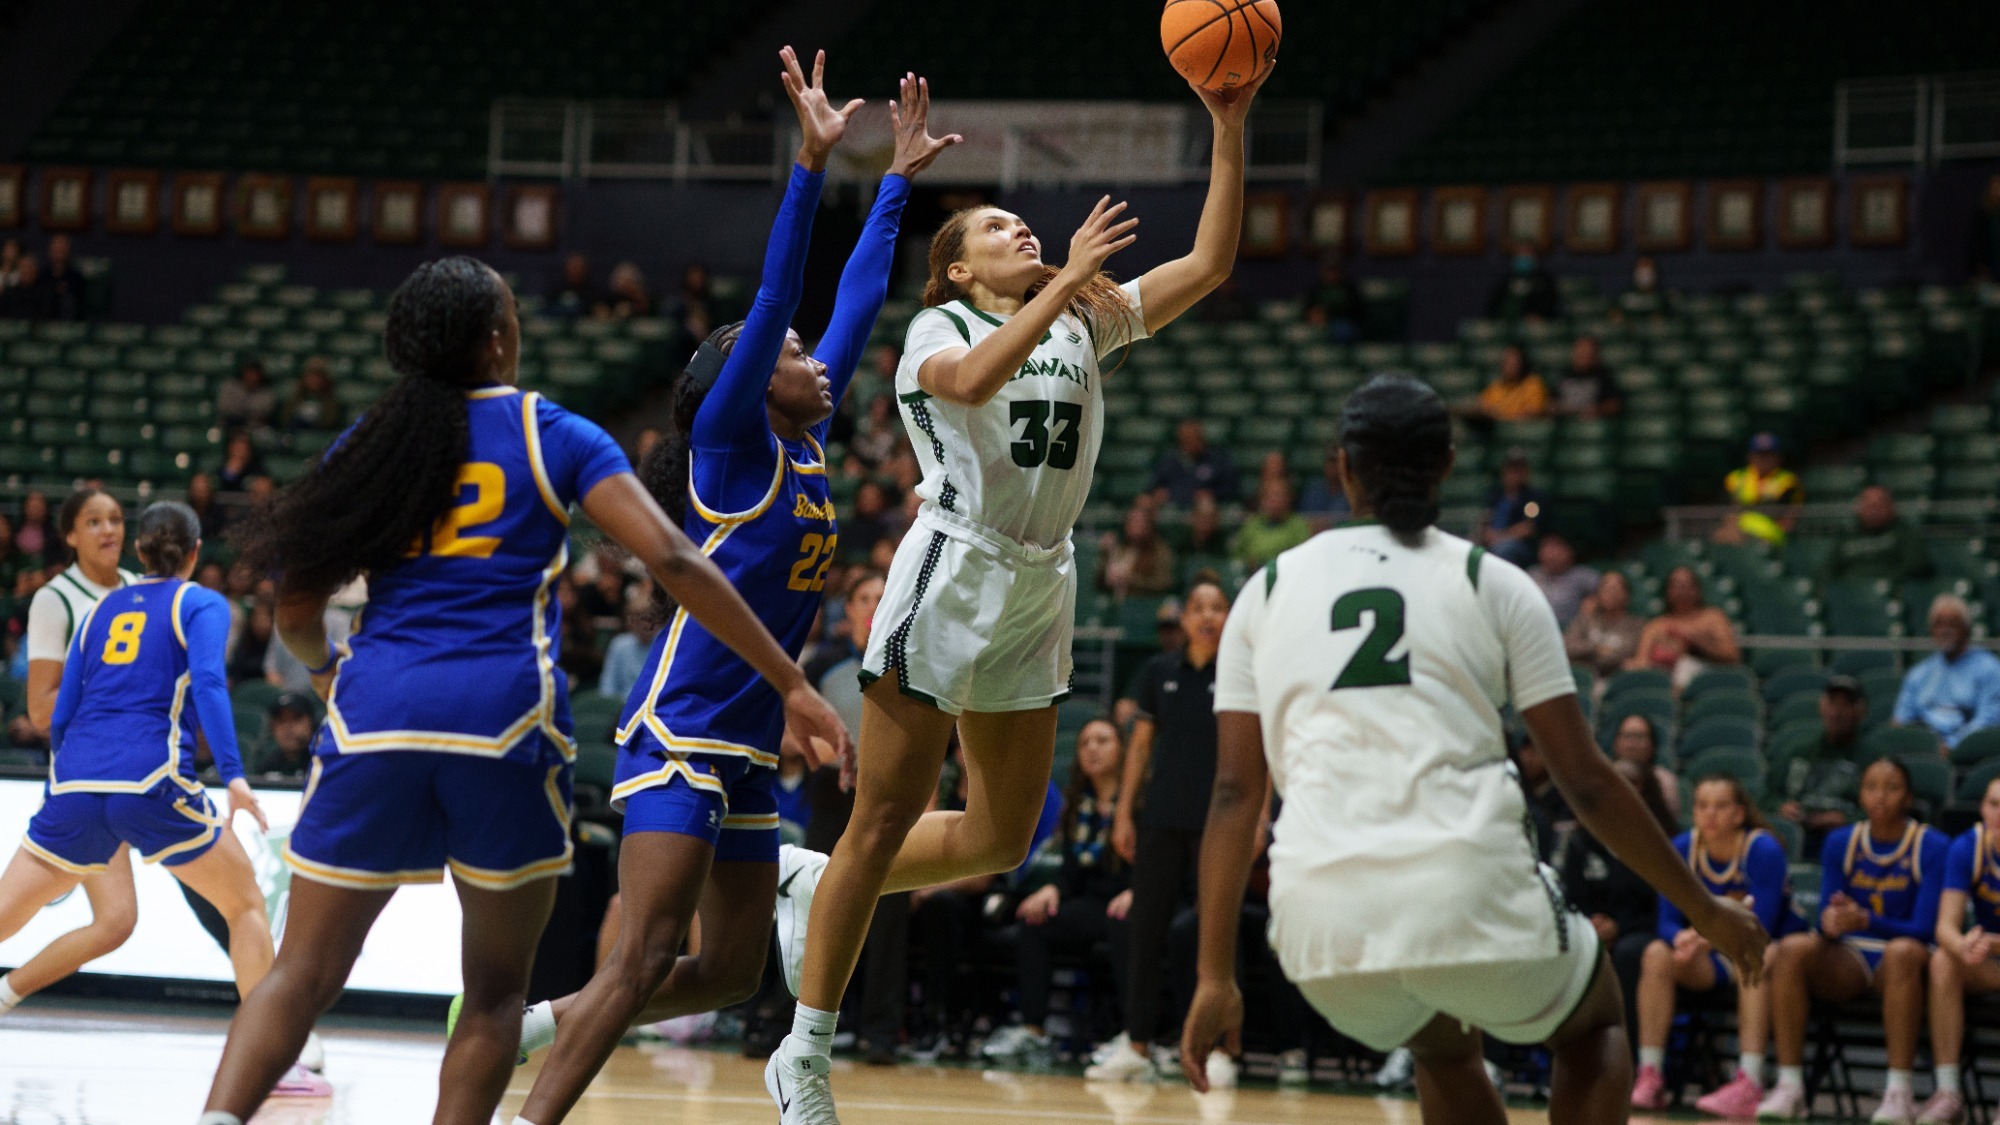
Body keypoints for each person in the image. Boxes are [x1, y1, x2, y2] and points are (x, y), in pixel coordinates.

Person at [195, 245, 849, 1125]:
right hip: (504, 723)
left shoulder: (372, 441)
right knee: (498, 993)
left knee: (301, 973)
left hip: (376, 713)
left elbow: (298, 605)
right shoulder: (557, 433)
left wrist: (325, 676)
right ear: (501, 339)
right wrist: (792, 683)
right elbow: (675, 558)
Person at [766, 62, 1264, 1125]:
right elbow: (978, 379)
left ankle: (815, 885)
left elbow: (1213, 262)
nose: (1017, 231)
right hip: (949, 572)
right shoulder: (935, 334)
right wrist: (1061, 280)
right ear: (950, 269)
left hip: (1042, 581)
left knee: (1001, 838)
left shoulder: (1081, 319)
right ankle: (803, 1054)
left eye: (1017, 223)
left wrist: (1228, 122)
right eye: (993, 228)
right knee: (882, 816)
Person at [505, 55, 947, 1125]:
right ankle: (529, 1109)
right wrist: (810, 164)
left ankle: (556, 1017)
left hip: (748, 743)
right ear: (745, 378)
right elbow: (781, 295)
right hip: (682, 728)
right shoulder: (730, 443)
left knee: (728, 973)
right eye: (790, 356)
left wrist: (892, 183)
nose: (813, 358)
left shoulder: (806, 438)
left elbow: (851, 301)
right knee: (648, 951)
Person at [1179, 374, 1766, 1125]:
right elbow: (1584, 781)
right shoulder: (1491, 581)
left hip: (1317, 926)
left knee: (1443, 1041)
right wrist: (1704, 908)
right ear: (1449, 464)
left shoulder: (1263, 589)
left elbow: (1234, 794)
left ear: (1342, 467)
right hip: (1466, 889)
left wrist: (1213, 974)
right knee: (1596, 1023)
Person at [3, 503, 325, 1094]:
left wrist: (63, 786)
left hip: (75, 783)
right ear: (197, 553)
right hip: (151, 782)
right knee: (245, 904)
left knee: (6, 916)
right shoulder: (199, 602)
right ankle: (275, 1066)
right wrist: (232, 774)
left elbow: (65, 705)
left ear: (139, 551)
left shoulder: (99, 608)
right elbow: (207, 685)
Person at [1092, 578, 1239, 1082]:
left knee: (1212, 935)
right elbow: (1139, 747)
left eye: (1216, 608)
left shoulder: (1241, 673)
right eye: (1198, 607)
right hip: (1159, 819)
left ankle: (1217, 1049)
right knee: (1145, 930)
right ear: (1183, 619)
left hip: (1218, 826)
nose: (1206, 616)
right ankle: (1136, 1045)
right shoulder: (1159, 670)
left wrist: (1257, 817)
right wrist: (1125, 813)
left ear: (1228, 617)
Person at [1756, 758, 1949, 1121]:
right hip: (1852, 957)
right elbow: (1826, 918)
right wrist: (1832, 921)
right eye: (1871, 787)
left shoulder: (1931, 845)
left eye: (1891, 788)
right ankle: (1790, 1085)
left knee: (1902, 952)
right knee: (1791, 948)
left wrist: (1864, 919)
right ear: (1860, 795)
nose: (1880, 796)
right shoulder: (1840, 841)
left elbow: (1924, 928)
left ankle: (1899, 1092)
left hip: (1908, 959)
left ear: (1907, 797)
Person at [1630, 776, 1792, 1116]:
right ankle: (1651, 1074)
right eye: (1702, 806)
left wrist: (1702, 937)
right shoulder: (1682, 847)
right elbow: (1666, 922)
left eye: (1720, 806)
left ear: (1739, 813)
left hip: (1759, 952)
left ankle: (1749, 1080)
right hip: (1709, 959)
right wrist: (1682, 939)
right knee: (1656, 953)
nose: (1710, 815)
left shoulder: (1762, 850)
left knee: (1763, 955)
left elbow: (1761, 924)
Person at [982, 717, 1132, 1062]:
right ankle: (1034, 1030)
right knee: (1036, 921)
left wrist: (1138, 890)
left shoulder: (1136, 802)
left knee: (1125, 923)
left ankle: (1133, 1036)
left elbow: (1159, 862)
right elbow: (1070, 871)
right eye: (1084, 743)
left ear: (1122, 750)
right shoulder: (1078, 804)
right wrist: (1053, 889)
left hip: (1132, 900)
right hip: (1093, 901)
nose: (1092, 748)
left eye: (1102, 740)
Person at [1561, 760, 1671, 1064]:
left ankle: (1626, 1058)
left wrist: (1619, 926)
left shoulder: (1657, 840)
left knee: (1628, 953)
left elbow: (1661, 904)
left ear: (1643, 792)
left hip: (1641, 932)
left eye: (1629, 783)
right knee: (1572, 950)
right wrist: (1589, 924)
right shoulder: (1582, 841)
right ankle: (1569, 1056)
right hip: (1590, 930)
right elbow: (1571, 896)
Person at [1921, 773, 2000, 1125]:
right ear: (1982, 807)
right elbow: (1945, 927)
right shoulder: (1968, 846)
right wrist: (1963, 944)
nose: (1999, 813)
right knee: (1943, 960)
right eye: (1993, 804)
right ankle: (1948, 1092)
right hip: (1989, 958)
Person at [1894, 594, 2000, 751]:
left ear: (1967, 628)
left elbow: (1988, 721)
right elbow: (1901, 721)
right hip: (1924, 750)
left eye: (1952, 623)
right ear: (1931, 630)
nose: (1944, 630)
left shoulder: (1990, 669)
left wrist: (1953, 745)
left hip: (1969, 753)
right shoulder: (1919, 673)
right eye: (1939, 624)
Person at [1772, 677, 1865, 857]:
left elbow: (1885, 810)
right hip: (1798, 833)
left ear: (1860, 711)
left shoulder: (1873, 758)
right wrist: (1780, 806)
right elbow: (1765, 796)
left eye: (1845, 705)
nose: (1837, 713)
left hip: (1848, 842)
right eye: (1832, 703)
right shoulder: (1797, 751)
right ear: (1821, 707)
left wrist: (1847, 819)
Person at [1629, 566, 1741, 690]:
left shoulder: (1713, 617)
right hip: (1662, 679)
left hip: (1708, 677)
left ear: (1697, 590)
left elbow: (1732, 656)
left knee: (1686, 666)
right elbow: (1642, 660)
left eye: (1687, 585)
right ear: (1668, 591)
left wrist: (1695, 640)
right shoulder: (1656, 625)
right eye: (1676, 585)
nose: (1682, 590)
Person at [1823, 486, 1931, 585]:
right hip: (1850, 594)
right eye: (1869, 506)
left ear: (1892, 508)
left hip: (1894, 592)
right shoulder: (1845, 535)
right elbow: (1827, 570)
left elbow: (1916, 566)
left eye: (1880, 505)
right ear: (1858, 508)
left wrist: (1881, 582)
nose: (1874, 511)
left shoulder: (1905, 533)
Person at [1714, 432, 1801, 547]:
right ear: (1750, 456)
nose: (1763, 459)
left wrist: (1746, 508)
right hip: (1738, 529)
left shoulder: (1787, 481)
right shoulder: (1735, 478)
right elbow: (1726, 510)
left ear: (1778, 457)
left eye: (1769, 454)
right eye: (1759, 454)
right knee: (1723, 533)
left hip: (1770, 534)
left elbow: (1786, 516)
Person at [1148, 418, 1240, 507]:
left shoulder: (1218, 460)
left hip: (1207, 508)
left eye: (1195, 438)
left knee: (1206, 507)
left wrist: (1214, 494)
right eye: (1186, 439)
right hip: (1172, 506)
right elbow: (1155, 487)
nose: (1191, 442)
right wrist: (1159, 493)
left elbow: (1231, 488)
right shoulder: (1169, 461)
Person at [1610, 714, 1681, 823]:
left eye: (1639, 737)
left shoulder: (1665, 781)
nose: (1632, 744)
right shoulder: (1603, 776)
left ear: (1652, 744)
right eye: (1627, 736)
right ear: (1616, 742)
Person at [1231, 477, 1313, 572]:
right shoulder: (1252, 524)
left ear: (1288, 499)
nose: (1274, 501)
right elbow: (1237, 555)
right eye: (1270, 496)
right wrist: (1247, 563)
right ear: (1262, 500)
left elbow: (1302, 557)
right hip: (1251, 575)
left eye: (1279, 496)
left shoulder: (1299, 525)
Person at [1482, 448, 1545, 568]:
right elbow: (1486, 519)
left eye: (1519, 470)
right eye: (1511, 470)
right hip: (1492, 542)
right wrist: (1486, 534)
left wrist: (1499, 537)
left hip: (1520, 546)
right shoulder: (1495, 495)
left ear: (1526, 472)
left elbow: (1528, 528)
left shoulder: (1533, 497)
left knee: (1504, 549)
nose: (1515, 474)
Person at [1097, 502, 1176, 598]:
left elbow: (1163, 583)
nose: (1134, 526)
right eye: (1131, 522)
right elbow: (1101, 583)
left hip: (1144, 605)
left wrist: (1129, 580)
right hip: (1118, 604)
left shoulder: (1160, 551)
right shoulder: (1122, 549)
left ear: (1149, 525)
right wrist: (1107, 554)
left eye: (1139, 522)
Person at [1528, 533, 1598, 627]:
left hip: (1569, 631)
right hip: (1534, 628)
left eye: (1556, 547)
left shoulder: (1583, 576)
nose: (1550, 553)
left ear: (1570, 550)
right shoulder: (1531, 575)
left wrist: (1594, 602)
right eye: (1546, 547)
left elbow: (1606, 593)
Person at [594, 605, 657, 702]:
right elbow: (608, 686)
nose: (645, 625)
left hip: (656, 707)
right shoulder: (619, 644)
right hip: (623, 707)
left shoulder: (666, 644)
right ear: (630, 622)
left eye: (649, 619)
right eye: (638, 620)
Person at [1487, 241, 1561, 321]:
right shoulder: (1508, 278)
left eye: (1526, 253)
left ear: (1535, 256)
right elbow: (1493, 303)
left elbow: (1550, 302)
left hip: (1535, 325)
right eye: (1520, 253)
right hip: (1506, 324)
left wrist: (1537, 315)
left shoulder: (1544, 279)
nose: (1523, 257)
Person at [1474, 344, 1549, 422]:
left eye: (1515, 362)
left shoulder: (1533, 384)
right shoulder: (1496, 386)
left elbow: (1533, 412)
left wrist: (1501, 415)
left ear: (1522, 363)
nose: (1511, 366)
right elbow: (1484, 407)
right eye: (1507, 362)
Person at [1554, 335, 1623, 418]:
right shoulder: (1563, 375)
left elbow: (1614, 405)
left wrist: (1597, 410)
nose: (1583, 355)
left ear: (1595, 355)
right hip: (1566, 424)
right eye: (1580, 351)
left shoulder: (1604, 377)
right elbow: (1551, 402)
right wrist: (1560, 408)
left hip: (1593, 423)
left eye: (1587, 352)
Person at [1302, 257, 1366, 343]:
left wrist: (1327, 314)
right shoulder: (1316, 289)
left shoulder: (1349, 289)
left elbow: (1356, 310)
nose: (1331, 274)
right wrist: (1313, 315)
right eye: (1328, 271)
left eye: (1334, 271)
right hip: (1317, 323)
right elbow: (1307, 308)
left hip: (1342, 323)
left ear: (1340, 272)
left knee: (1343, 331)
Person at [254, 693, 316, 780]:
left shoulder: (323, 761)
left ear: (311, 723)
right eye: (281, 721)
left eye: (296, 719)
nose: (287, 728)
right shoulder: (268, 766)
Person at [280, 358, 342, 435]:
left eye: (317, 377)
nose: (313, 380)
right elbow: (286, 419)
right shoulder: (295, 398)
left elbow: (329, 422)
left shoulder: (330, 401)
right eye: (310, 376)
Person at [1297, 446, 1352, 530]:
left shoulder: (1351, 494)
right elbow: (1304, 521)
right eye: (1330, 462)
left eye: (1336, 463)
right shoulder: (1313, 492)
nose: (1332, 467)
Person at [217, 361, 278, 434]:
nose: (251, 376)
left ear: (260, 375)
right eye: (249, 372)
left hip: (255, 430)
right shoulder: (230, 387)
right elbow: (224, 407)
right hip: (229, 427)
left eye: (254, 373)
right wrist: (248, 413)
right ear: (243, 373)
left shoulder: (266, 393)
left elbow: (263, 413)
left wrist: (240, 411)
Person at [0, 255, 53, 320]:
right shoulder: (10, 292)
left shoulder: (44, 293)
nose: (26, 270)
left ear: (35, 270)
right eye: (23, 267)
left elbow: (45, 314)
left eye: (29, 267)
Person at [548, 254, 596, 319]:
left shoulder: (594, 291)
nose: (575, 271)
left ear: (585, 269)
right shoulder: (556, 289)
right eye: (572, 267)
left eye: (578, 267)